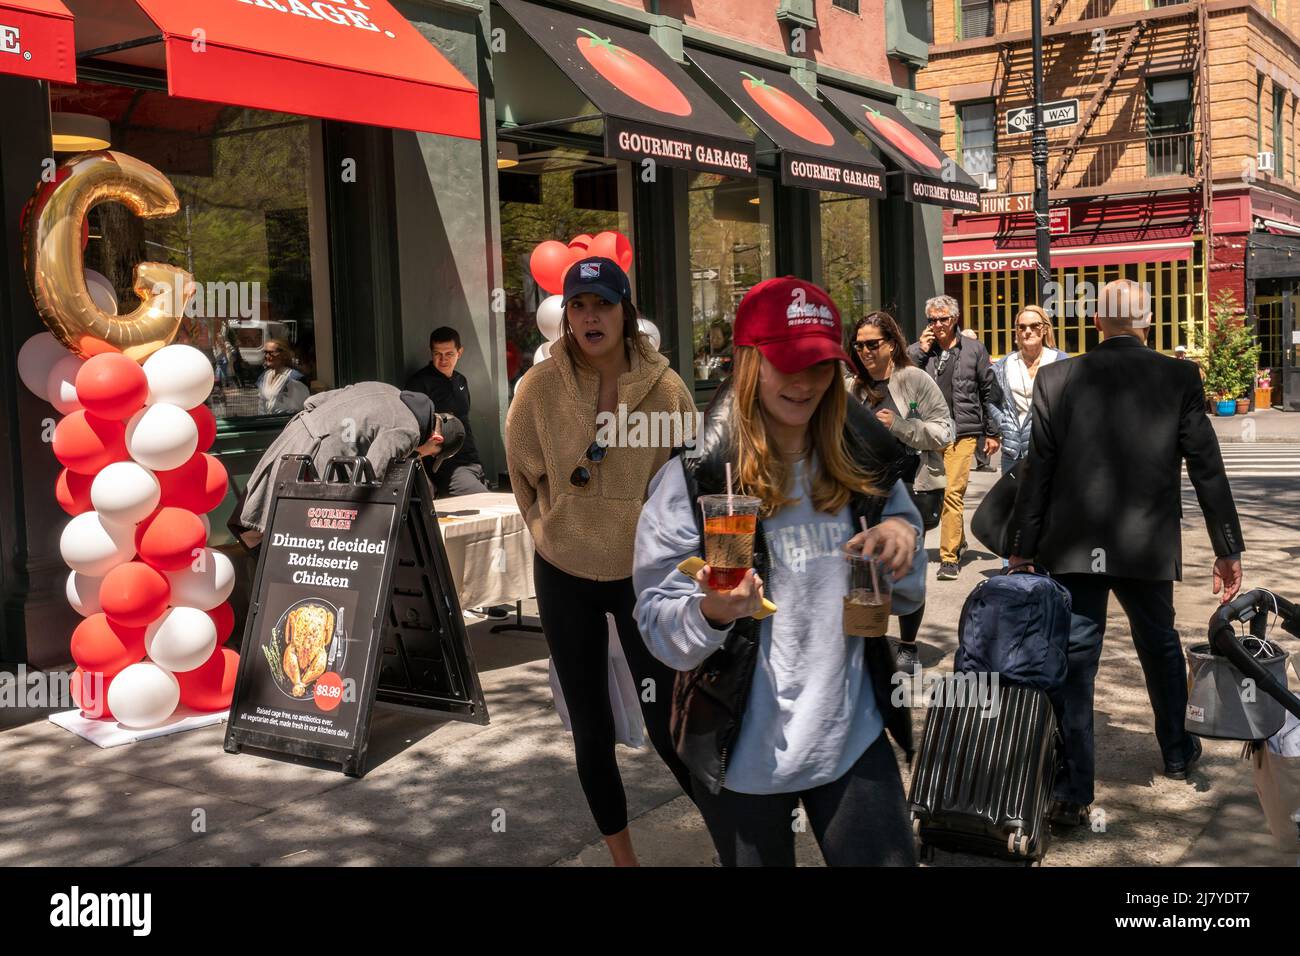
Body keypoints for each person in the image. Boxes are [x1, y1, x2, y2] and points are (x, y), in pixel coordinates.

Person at [633, 277, 923, 867]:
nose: (804, 382)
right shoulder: (700, 478)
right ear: (747, 361)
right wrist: (711, 610)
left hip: (853, 736)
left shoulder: (864, 463)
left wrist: (904, 538)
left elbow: (904, 593)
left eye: (819, 365)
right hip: (742, 753)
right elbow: (656, 621)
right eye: (785, 363)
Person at [1008, 279, 1245, 827]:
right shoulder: (1177, 376)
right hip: (1145, 543)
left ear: (1096, 323)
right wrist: (1226, 548)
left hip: (1073, 545)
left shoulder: (1055, 377)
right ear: (1148, 323)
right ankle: (1177, 750)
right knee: (1159, 645)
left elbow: (1036, 473)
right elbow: (1208, 468)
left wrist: (1022, 548)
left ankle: (1073, 788)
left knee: (1074, 661)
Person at [504, 256, 699, 867]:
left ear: (625, 311)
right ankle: (623, 861)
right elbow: (522, 474)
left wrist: (667, 552)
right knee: (589, 731)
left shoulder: (666, 389)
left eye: (603, 305)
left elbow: (690, 480)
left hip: (643, 578)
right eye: (579, 307)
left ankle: (735, 839)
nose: (591, 318)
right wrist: (544, 529)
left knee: (669, 724)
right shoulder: (538, 388)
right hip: (563, 574)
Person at [846, 310, 952, 673]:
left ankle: (908, 645)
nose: (864, 351)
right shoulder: (851, 388)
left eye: (872, 344)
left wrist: (902, 426)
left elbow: (945, 431)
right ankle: (867, 639)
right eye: (858, 345)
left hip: (913, 487)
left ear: (891, 344)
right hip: (864, 491)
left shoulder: (916, 381)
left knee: (906, 566)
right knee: (865, 568)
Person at [234, 382, 462, 546]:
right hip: (315, 460)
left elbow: (313, 401)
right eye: (431, 454)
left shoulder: (385, 388)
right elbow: (370, 477)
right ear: (437, 439)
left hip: (293, 437)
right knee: (288, 540)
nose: (422, 456)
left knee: (259, 526)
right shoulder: (408, 430)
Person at [908, 295, 1002, 581]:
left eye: (943, 319)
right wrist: (921, 351)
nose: (937, 325)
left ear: (955, 319)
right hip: (928, 434)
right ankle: (957, 540)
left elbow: (989, 391)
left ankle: (949, 557)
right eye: (932, 320)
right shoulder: (921, 350)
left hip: (962, 433)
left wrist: (992, 431)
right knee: (928, 494)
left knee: (953, 493)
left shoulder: (973, 349)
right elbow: (901, 377)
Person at [404, 326, 489, 497]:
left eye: (449, 354)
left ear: (460, 352)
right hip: (446, 467)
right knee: (488, 503)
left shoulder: (461, 380)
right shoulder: (420, 384)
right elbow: (412, 434)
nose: (443, 359)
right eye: (437, 354)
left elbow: (464, 421)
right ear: (431, 353)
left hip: (473, 462)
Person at [989, 305, 1068, 476]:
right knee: (1014, 501)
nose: (1027, 331)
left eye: (1034, 326)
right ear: (1016, 331)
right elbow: (992, 401)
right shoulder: (1004, 364)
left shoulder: (1060, 361)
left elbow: (1072, 403)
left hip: (1049, 450)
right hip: (1013, 453)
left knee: (1046, 502)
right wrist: (1004, 423)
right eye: (1022, 327)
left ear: (1045, 329)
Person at [255, 338, 308, 416]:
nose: (267, 356)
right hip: (266, 422)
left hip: (284, 423)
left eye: (271, 353)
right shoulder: (265, 376)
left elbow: (299, 408)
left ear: (284, 355)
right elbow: (261, 404)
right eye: (265, 352)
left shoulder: (294, 378)